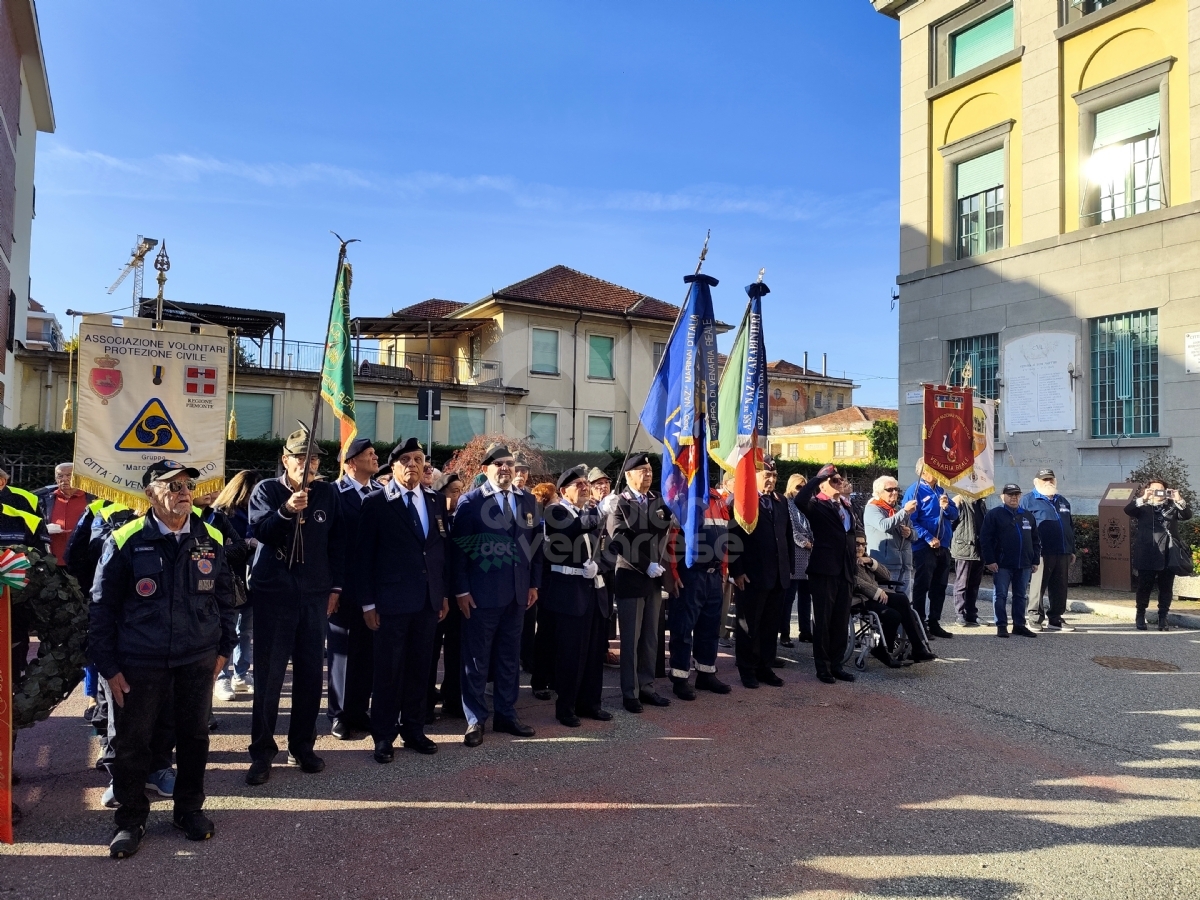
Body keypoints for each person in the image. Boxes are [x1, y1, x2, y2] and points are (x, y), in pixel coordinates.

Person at [89, 460, 237, 858]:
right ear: (151, 494)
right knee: (132, 743)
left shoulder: (210, 538)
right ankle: (130, 819)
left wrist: (224, 649)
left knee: (194, 738)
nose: (183, 491)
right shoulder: (125, 538)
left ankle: (188, 810)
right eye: (171, 485)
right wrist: (109, 667)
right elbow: (101, 608)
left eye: (187, 484)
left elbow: (226, 598)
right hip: (140, 660)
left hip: (196, 657)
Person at [245, 426, 344, 786]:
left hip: (314, 595)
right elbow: (262, 532)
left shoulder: (327, 493)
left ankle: (302, 745)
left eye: (314, 458)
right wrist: (286, 510)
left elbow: (336, 543)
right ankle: (261, 752)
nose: (309, 464)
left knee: (308, 675)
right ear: (286, 460)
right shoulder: (266, 490)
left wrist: (335, 587)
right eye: (301, 458)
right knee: (269, 677)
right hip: (275, 595)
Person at [356, 438, 450, 762]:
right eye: (406, 459)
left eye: (419, 459)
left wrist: (444, 593)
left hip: (427, 601)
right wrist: (367, 603)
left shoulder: (435, 500)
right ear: (393, 465)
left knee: (420, 669)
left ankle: (413, 728)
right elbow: (363, 556)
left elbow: (439, 551)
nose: (413, 464)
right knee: (388, 671)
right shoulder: (376, 502)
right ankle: (383, 735)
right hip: (390, 602)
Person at [450, 443, 543, 746]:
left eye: (509, 464)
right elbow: (459, 552)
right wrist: (461, 590)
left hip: (517, 594)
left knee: (508, 658)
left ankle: (506, 713)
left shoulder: (528, 501)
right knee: (477, 659)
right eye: (498, 464)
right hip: (481, 595)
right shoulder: (471, 502)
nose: (505, 468)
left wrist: (533, 584)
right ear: (485, 469)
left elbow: (536, 547)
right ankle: (475, 719)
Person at [541, 465, 614, 725]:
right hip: (570, 594)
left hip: (595, 591)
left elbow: (608, 548)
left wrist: (601, 565)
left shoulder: (589, 514)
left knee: (594, 652)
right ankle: (566, 708)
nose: (585, 487)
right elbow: (571, 529)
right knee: (571, 655)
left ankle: (590, 703)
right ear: (564, 491)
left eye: (586, 483)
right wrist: (600, 511)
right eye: (579, 484)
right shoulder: (556, 512)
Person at [603, 453, 673, 712]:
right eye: (642, 470)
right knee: (630, 641)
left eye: (650, 470)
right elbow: (620, 540)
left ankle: (647, 686)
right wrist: (646, 564)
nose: (648, 474)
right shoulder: (620, 503)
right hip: (632, 576)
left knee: (651, 638)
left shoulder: (657, 499)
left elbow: (663, 528)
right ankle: (630, 693)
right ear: (629, 475)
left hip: (654, 580)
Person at [327, 437, 381, 741]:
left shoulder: (380, 493)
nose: (375, 458)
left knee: (367, 652)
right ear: (351, 463)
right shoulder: (335, 493)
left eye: (374, 454)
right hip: (343, 586)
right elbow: (330, 544)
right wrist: (332, 586)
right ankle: (339, 714)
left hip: (372, 587)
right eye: (369, 455)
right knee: (342, 652)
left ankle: (360, 710)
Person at [664, 479, 734, 700]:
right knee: (683, 628)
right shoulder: (683, 499)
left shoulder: (719, 501)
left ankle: (706, 673)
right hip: (690, 574)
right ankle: (680, 677)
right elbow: (673, 540)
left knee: (710, 628)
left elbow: (725, 539)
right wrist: (673, 574)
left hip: (714, 576)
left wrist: (724, 569)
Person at [727, 457, 793, 689]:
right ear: (754, 476)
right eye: (767, 475)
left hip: (778, 574)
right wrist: (737, 571)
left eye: (774, 476)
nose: (772, 480)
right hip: (752, 574)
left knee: (770, 625)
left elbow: (786, 537)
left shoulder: (780, 501)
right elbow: (732, 539)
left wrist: (789, 568)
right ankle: (747, 669)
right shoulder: (743, 501)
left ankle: (765, 667)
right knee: (748, 626)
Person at [795, 464, 857, 684]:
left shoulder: (846, 506)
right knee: (823, 620)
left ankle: (837, 664)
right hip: (824, 570)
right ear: (823, 485)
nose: (839, 483)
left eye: (840, 480)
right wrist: (816, 478)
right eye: (834, 480)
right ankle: (823, 667)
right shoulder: (816, 504)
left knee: (840, 621)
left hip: (845, 571)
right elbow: (799, 501)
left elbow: (850, 536)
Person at [851, 533, 936, 666]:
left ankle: (918, 647)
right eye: (857, 544)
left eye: (863, 544)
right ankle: (883, 650)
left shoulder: (866, 560)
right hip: (860, 599)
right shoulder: (845, 560)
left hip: (875, 596)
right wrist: (877, 591)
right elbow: (854, 581)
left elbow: (886, 575)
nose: (860, 547)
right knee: (893, 615)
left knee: (901, 599)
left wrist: (871, 562)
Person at [212, 471, 260, 701]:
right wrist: (246, 544)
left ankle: (241, 674)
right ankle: (221, 677)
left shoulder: (256, 511)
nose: (254, 495)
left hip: (250, 578)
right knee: (225, 630)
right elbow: (215, 549)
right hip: (228, 579)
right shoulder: (221, 514)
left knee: (246, 631)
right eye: (251, 490)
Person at [902, 458, 959, 639]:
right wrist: (928, 537)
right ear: (923, 472)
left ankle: (934, 622)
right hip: (924, 546)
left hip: (943, 545)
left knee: (939, 586)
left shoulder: (940, 490)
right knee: (922, 586)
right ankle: (919, 624)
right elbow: (911, 520)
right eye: (934, 469)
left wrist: (947, 506)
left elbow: (954, 515)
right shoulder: (915, 491)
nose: (937, 472)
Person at [1125, 480, 1193, 631]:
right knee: (1144, 586)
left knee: (1166, 587)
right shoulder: (1143, 507)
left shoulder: (1172, 507)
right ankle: (1140, 615)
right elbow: (1128, 510)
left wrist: (1179, 499)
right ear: (1148, 490)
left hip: (1168, 554)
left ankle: (1163, 617)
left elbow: (1187, 515)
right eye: (1154, 490)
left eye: (1161, 490)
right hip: (1147, 552)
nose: (1158, 493)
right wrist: (1144, 498)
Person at [979, 484, 1041, 639]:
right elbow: (986, 539)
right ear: (1003, 497)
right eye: (1010, 494)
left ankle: (1019, 625)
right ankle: (1001, 625)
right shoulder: (994, 514)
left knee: (1021, 595)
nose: (1014, 497)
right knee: (1000, 595)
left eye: (1017, 495)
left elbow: (1035, 540)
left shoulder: (1027, 515)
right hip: (1002, 564)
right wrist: (990, 560)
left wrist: (1035, 560)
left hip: (1024, 564)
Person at [427, 472, 465, 720]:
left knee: (457, 648)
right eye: (453, 491)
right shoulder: (431, 519)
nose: (458, 496)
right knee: (430, 651)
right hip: (434, 595)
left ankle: (453, 698)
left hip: (457, 595)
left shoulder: (462, 519)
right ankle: (426, 701)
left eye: (461, 491)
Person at [1021, 470, 1077, 632]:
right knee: (1038, 586)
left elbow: (1070, 527)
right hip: (1041, 551)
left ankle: (1055, 618)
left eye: (1051, 479)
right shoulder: (1028, 501)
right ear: (1036, 481)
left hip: (1062, 550)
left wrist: (1071, 549)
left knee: (1060, 586)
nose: (1048, 482)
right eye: (1044, 479)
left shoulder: (1062, 501)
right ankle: (1034, 617)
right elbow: (1024, 527)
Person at [525, 481, 558, 699]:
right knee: (545, 633)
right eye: (555, 497)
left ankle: (553, 676)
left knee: (556, 632)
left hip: (559, 581)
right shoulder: (541, 520)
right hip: (545, 581)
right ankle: (539, 680)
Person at [864, 475, 915, 614]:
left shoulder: (898, 509)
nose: (894, 492)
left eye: (896, 489)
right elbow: (884, 525)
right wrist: (904, 512)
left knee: (905, 602)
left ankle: (902, 633)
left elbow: (915, 533)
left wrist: (909, 533)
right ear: (879, 492)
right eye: (889, 489)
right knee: (888, 601)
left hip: (904, 562)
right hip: (885, 564)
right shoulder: (872, 508)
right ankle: (888, 633)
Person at [780, 474, 813, 647]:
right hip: (795, 553)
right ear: (791, 487)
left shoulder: (807, 504)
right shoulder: (786, 503)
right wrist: (804, 542)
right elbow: (790, 529)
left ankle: (805, 631)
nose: (801, 491)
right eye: (798, 487)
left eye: (804, 487)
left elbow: (812, 524)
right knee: (789, 597)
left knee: (806, 597)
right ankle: (784, 632)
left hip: (809, 555)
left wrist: (813, 542)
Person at [949, 494, 987, 627]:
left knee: (974, 584)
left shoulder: (981, 502)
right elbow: (951, 523)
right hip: (964, 547)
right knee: (962, 583)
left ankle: (971, 614)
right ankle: (959, 614)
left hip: (979, 548)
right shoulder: (960, 500)